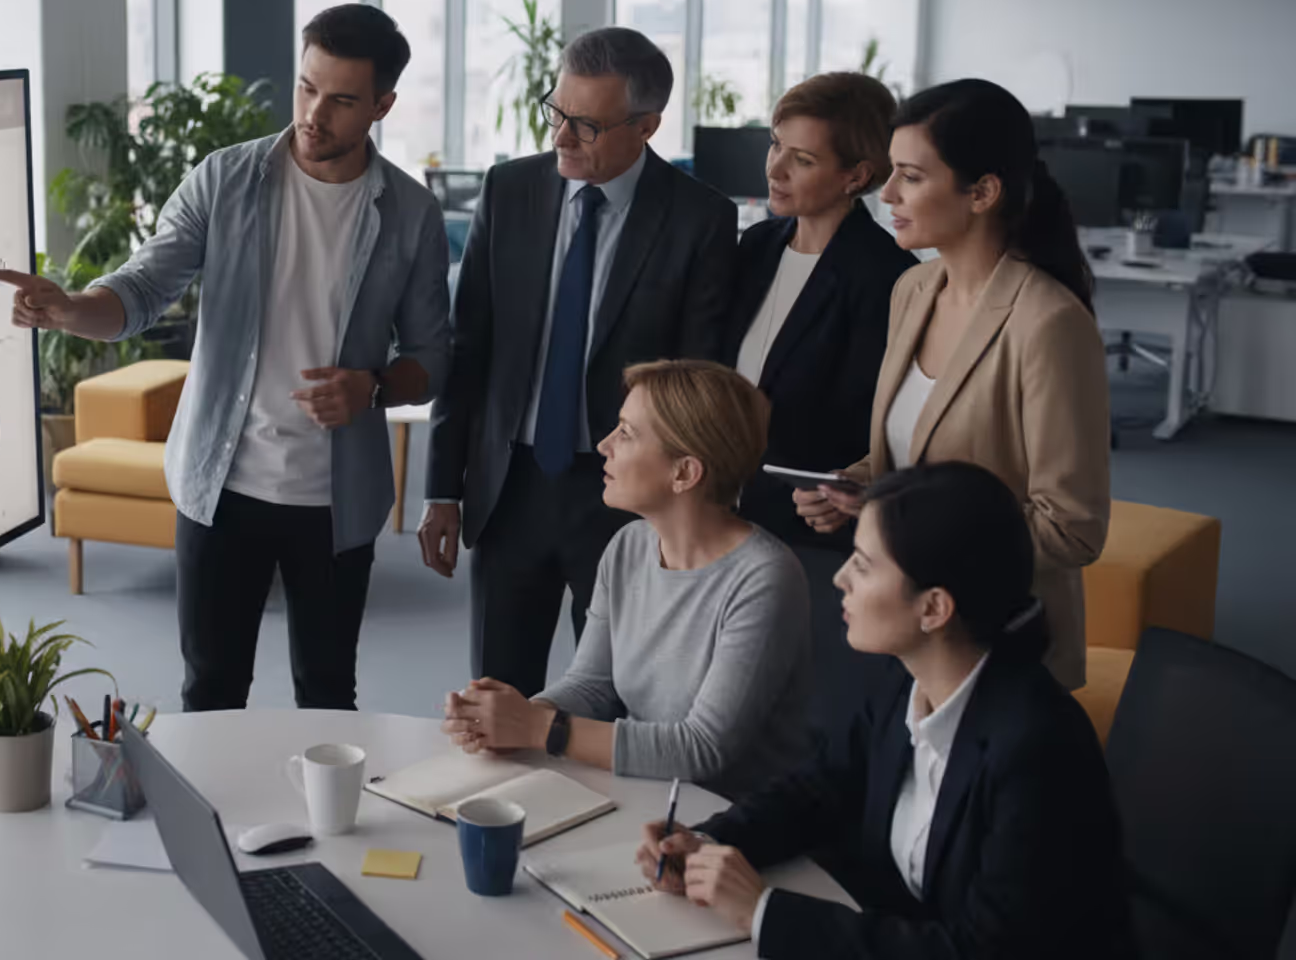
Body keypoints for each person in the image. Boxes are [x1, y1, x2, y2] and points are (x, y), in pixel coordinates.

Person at [0, 4, 451, 712]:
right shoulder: (225, 179)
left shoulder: (411, 214)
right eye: (305, 87)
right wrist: (72, 307)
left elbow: (430, 356)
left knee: (328, 692)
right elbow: (143, 288)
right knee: (210, 688)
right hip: (219, 488)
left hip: (336, 502)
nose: (314, 113)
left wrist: (374, 385)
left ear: (383, 104)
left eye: (342, 99)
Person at [640, 462, 1135, 959]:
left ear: (934, 609)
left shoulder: (1037, 746)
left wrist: (764, 912)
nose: (838, 578)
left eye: (862, 563)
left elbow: (985, 951)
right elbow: (820, 790)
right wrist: (708, 842)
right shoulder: (905, 679)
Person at [420, 27, 738, 699]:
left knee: (616, 693)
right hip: (510, 486)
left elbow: (695, 379)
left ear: (646, 127)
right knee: (497, 691)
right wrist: (442, 488)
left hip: (626, 496)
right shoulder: (509, 190)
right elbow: (468, 349)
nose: (562, 137)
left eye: (586, 125)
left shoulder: (699, 219)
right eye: (557, 112)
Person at [793, 78, 1110, 691]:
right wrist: (855, 485)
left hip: (995, 651)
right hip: (903, 634)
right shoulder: (913, 290)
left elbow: (1072, 527)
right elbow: (914, 455)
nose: (886, 193)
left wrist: (909, 531)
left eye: (911, 177)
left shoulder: (1048, 323)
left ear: (983, 192)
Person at [440, 360, 808, 799]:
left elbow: (702, 749)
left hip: (728, 823)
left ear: (685, 473)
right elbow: (593, 684)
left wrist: (541, 728)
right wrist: (513, 718)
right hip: (640, 793)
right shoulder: (629, 545)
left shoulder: (764, 578)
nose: (602, 445)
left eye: (626, 434)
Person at [725, 72, 915, 726]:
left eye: (802, 158)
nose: (776, 167)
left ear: (856, 174)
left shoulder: (888, 278)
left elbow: (887, 423)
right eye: (776, 145)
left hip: (813, 536)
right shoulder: (754, 247)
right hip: (725, 525)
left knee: (798, 718)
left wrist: (853, 489)